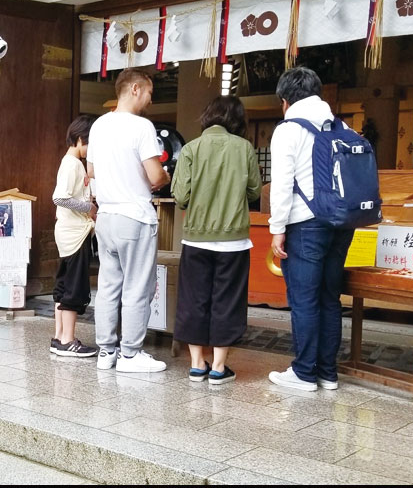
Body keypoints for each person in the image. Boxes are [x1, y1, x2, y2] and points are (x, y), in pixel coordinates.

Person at [268, 66, 354, 392]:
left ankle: (304, 372)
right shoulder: (342, 125)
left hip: (305, 224)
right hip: (341, 223)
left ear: (286, 100)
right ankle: (328, 373)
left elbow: (281, 185)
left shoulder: (288, 129)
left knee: (304, 300)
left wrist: (277, 229)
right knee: (330, 298)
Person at [171, 96, 262, 384]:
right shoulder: (244, 148)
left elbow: (181, 197)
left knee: (193, 300)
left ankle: (198, 364)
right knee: (228, 301)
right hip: (234, 241)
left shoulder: (190, 149)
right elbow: (254, 191)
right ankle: (219, 368)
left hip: (196, 239)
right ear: (237, 120)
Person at [86, 68, 170, 372]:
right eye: (148, 92)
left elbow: (92, 171)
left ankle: (106, 352)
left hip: (106, 217)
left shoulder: (98, 126)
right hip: (134, 216)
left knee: (108, 286)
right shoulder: (142, 127)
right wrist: (164, 176)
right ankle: (131, 354)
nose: (149, 99)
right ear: (134, 89)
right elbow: (155, 175)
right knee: (137, 287)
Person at [50, 115, 98, 358]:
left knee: (63, 285)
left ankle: (59, 337)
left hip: (67, 232)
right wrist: (88, 207)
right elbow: (60, 197)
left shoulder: (69, 162)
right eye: (91, 143)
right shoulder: (73, 164)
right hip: (75, 235)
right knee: (74, 288)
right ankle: (68, 340)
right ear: (81, 140)